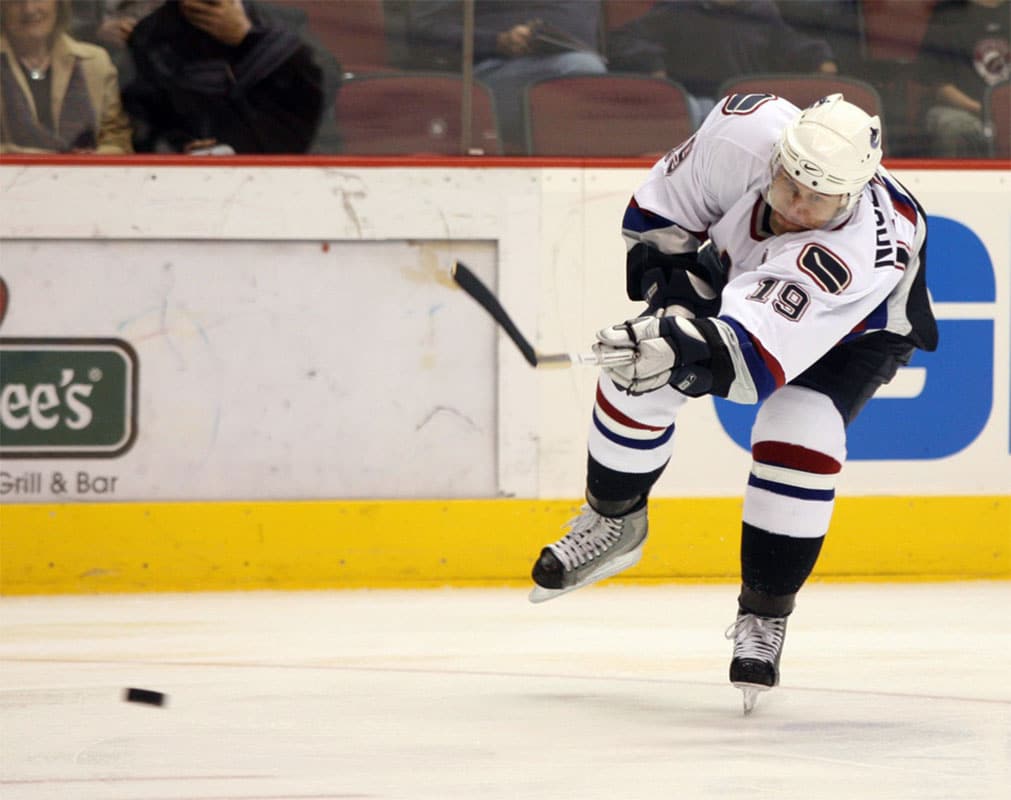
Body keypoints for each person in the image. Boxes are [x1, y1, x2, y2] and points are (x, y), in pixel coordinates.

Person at [528, 92, 938, 713]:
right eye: (789, 183)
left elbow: (748, 368)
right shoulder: (742, 133)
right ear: (776, 156)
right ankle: (615, 518)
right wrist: (669, 312)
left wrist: (679, 342)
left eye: (818, 199)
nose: (796, 207)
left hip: (856, 329)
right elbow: (660, 219)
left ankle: (764, 614)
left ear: (850, 198)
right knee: (634, 372)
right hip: (749, 280)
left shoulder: (853, 253)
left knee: (798, 430)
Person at [122, 0, 325, 154]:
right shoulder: (151, 36)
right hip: (192, 175)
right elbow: (143, 117)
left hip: (286, 163)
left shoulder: (283, 23)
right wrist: (180, 145)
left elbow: (325, 84)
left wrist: (247, 37)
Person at [407, 1, 608, 153]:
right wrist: (497, 42)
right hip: (487, 73)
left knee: (590, 74)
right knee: (584, 71)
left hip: (580, 67)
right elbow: (425, 29)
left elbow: (625, 41)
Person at [607, 0, 839, 127]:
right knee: (707, 114)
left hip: (752, 104)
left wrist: (819, 57)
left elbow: (788, 42)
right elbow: (626, 38)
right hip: (698, 101)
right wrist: (652, 65)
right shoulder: (679, 7)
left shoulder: (760, 9)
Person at [1, 0, 133, 153]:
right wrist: (47, 160)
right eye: (15, 2)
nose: (29, 9)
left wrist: (92, 158)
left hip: (88, 175)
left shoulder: (95, 63)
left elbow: (118, 140)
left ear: (59, 4)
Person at [917, 0, 1010, 157]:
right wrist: (983, 109)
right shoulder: (949, 14)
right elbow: (937, 83)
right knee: (953, 126)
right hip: (962, 111)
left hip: (1007, 112)